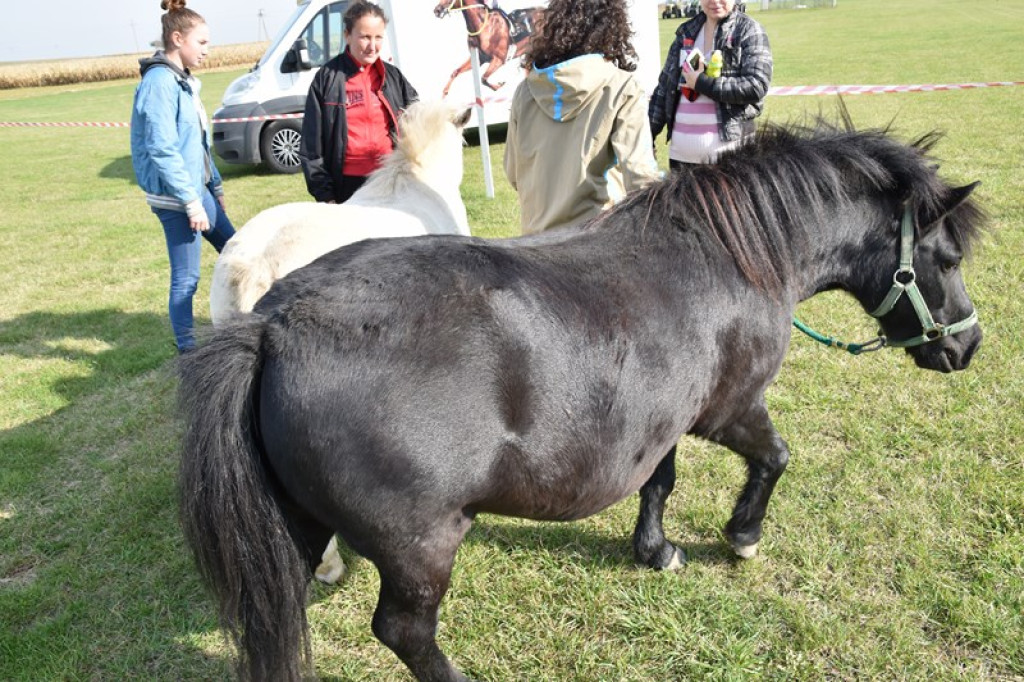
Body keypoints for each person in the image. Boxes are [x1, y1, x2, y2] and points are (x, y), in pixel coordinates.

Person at [503, 0, 661, 235]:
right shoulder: (622, 87)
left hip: (534, 247)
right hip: (594, 245)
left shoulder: (525, 92)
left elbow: (513, 172)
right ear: (613, 26)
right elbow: (641, 179)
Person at [130, 0, 235, 354]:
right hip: (178, 199)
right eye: (202, 42)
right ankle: (188, 353)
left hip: (197, 189)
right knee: (186, 279)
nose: (207, 50)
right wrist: (192, 204)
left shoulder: (183, 82)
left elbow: (197, 145)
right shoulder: (159, 83)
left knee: (236, 250)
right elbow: (162, 148)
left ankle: (244, 322)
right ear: (177, 39)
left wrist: (214, 186)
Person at [299, 2, 418, 204]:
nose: (373, 46)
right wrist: (326, 196)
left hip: (390, 180)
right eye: (365, 37)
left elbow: (418, 121)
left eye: (378, 37)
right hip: (347, 186)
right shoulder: (326, 79)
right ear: (347, 35)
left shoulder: (393, 77)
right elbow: (311, 149)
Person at [648, 0, 772, 169]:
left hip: (730, 160)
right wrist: (647, 137)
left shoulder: (749, 30)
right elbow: (663, 90)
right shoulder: (685, 33)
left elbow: (756, 85)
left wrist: (701, 83)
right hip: (681, 161)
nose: (714, 1)